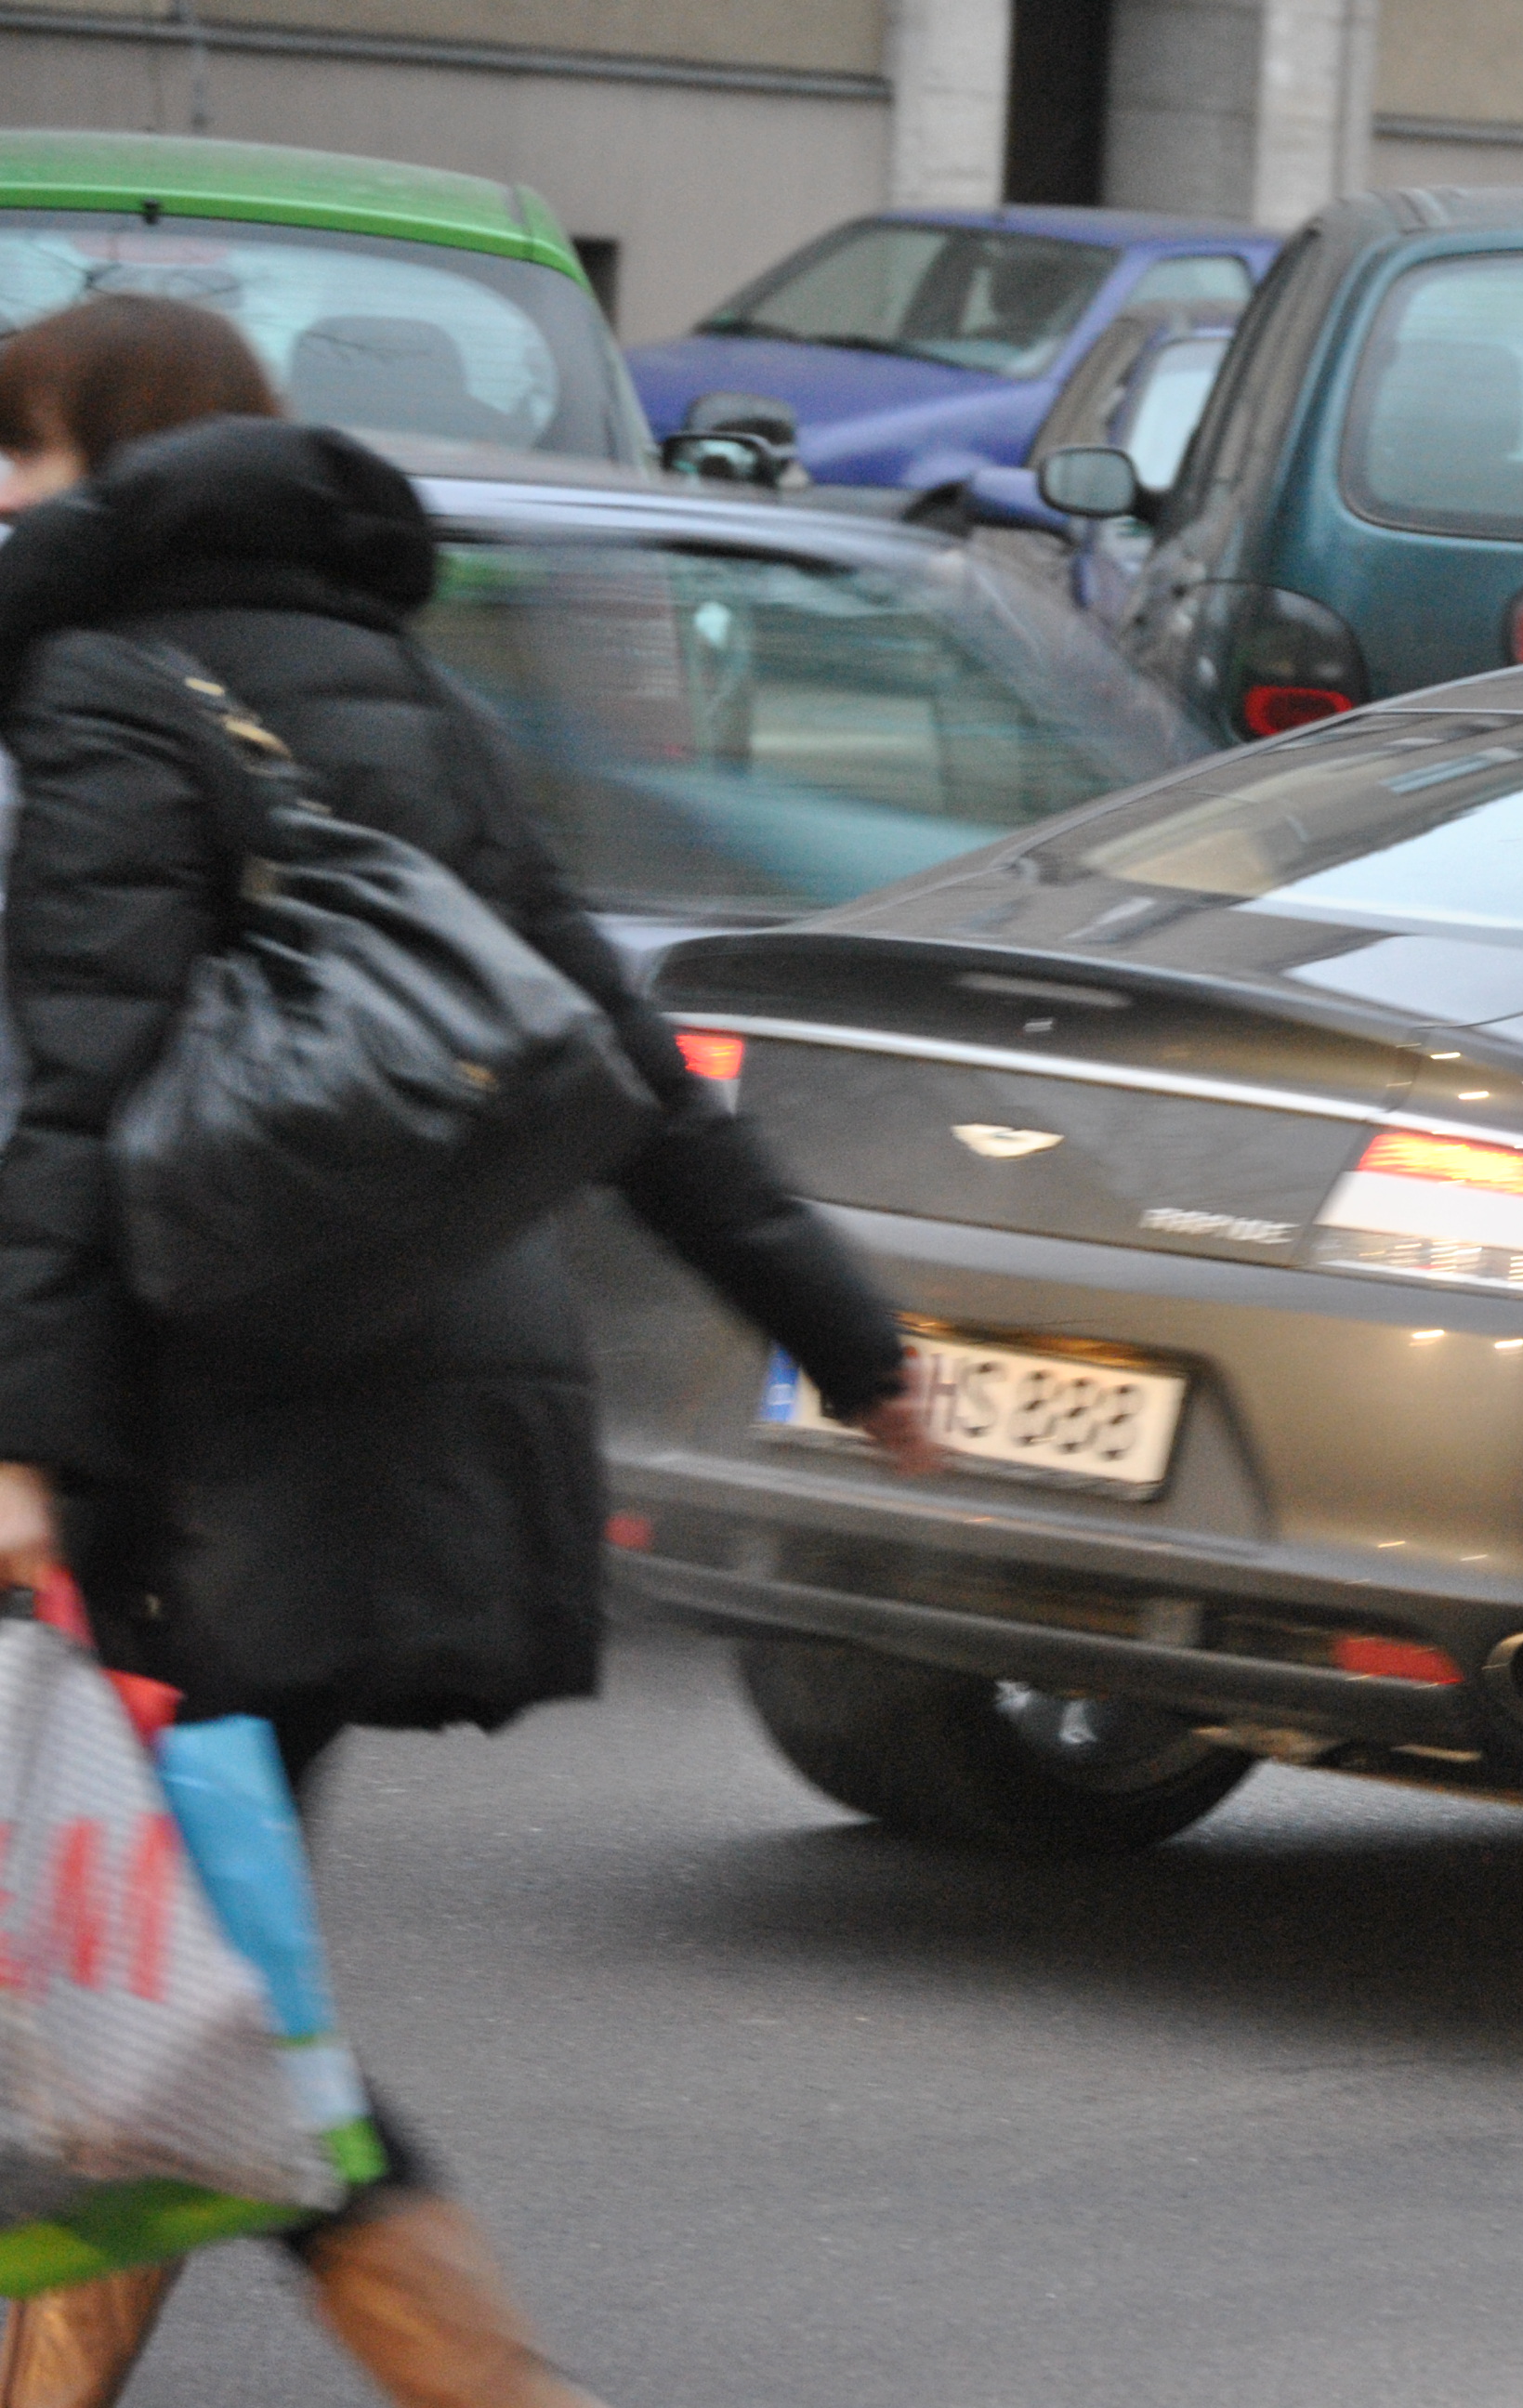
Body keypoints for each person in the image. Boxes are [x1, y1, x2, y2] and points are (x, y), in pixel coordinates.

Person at [0, 294, 936, 2405]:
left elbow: (77, 1093)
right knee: (158, 1948)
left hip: (206, 1430)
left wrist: (24, 1449)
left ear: (114, 470)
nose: (2, 493)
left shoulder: (99, 687)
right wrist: (845, 1334)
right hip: (400, 1400)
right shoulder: (399, 688)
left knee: (191, 1973)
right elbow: (616, 1050)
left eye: (24, 450)